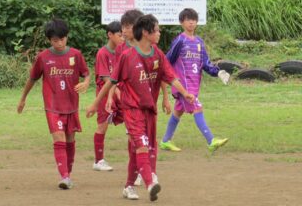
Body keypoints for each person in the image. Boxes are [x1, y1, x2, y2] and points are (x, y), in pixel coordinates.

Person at [87, 14, 195, 201]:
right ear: (146, 32)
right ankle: (150, 182)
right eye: (157, 29)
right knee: (142, 146)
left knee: (140, 149)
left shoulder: (157, 54)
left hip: (149, 110)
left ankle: (129, 186)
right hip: (132, 110)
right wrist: (96, 103)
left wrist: (184, 93)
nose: (160, 33)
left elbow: (170, 76)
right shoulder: (126, 56)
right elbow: (110, 82)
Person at [17, 18, 90, 190]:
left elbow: (86, 73)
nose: (59, 43)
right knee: (59, 138)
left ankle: (68, 174)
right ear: (49, 40)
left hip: (71, 105)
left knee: (70, 140)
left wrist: (86, 82)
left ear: (67, 37)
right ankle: (64, 177)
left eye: (62, 39)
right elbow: (32, 79)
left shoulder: (76, 55)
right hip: (53, 105)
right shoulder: (43, 57)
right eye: (55, 40)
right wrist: (22, 99)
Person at [112, 9, 171, 186]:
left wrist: (165, 97)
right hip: (130, 103)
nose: (124, 30)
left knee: (144, 141)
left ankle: (142, 174)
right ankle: (141, 175)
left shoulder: (153, 49)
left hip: (148, 104)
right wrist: (113, 97)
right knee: (136, 141)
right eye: (123, 27)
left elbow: (161, 74)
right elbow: (115, 78)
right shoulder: (122, 50)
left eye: (128, 27)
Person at [160, 8, 230, 153]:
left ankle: (165, 141)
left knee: (178, 111)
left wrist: (218, 73)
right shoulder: (180, 40)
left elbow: (205, 63)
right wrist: (169, 79)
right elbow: (167, 61)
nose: (191, 22)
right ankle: (211, 140)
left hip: (194, 83)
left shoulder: (199, 42)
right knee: (198, 107)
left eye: (194, 19)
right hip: (182, 85)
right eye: (188, 19)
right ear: (181, 22)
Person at [92, 21, 124, 171]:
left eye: (124, 35)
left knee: (133, 123)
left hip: (122, 93)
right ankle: (98, 161)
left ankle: (139, 156)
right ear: (110, 35)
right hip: (105, 94)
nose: (122, 38)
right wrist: (115, 90)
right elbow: (106, 78)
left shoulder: (123, 51)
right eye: (119, 35)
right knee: (102, 125)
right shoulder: (102, 53)